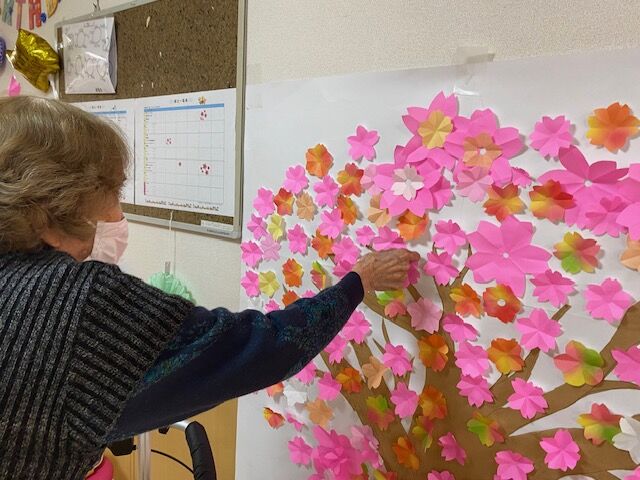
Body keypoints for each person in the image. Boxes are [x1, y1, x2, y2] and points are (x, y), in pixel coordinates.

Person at [0, 96, 418, 479]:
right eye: (107, 195)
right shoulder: (80, 301)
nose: (118, 212)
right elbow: (263, 348)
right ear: (46, 218)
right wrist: (358, 283)